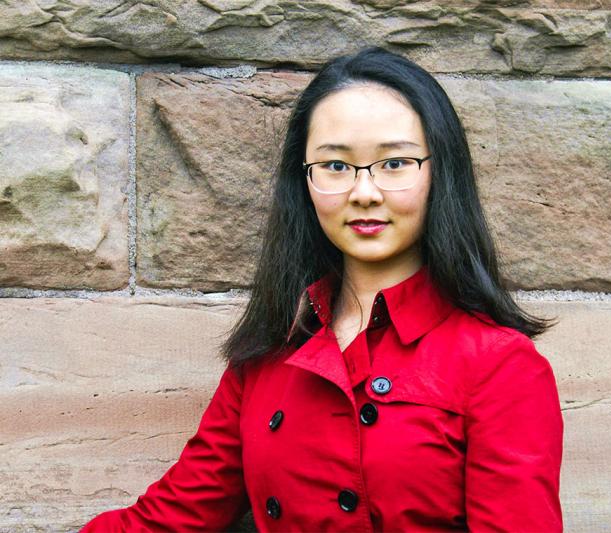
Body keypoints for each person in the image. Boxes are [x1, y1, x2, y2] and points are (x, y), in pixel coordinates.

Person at [82, 46, 563, 532]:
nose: (364, 192)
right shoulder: (269, 354)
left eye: (394, 163)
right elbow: (170, 520)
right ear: (304, 182)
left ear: (440, 173)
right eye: (335, 166)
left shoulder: (499, 365)